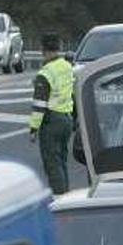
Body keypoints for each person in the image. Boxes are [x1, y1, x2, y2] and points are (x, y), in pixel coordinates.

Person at [29, 33, 75, 195]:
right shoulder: (68, 67)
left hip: (52, 121)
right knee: (61, 160)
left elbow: (39, 105)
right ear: (59, 48)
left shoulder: (45, 73)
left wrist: (34, 128)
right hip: (67, 119)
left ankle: (59, 198)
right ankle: (66, 194)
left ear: (42, 50)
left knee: (52, 163)